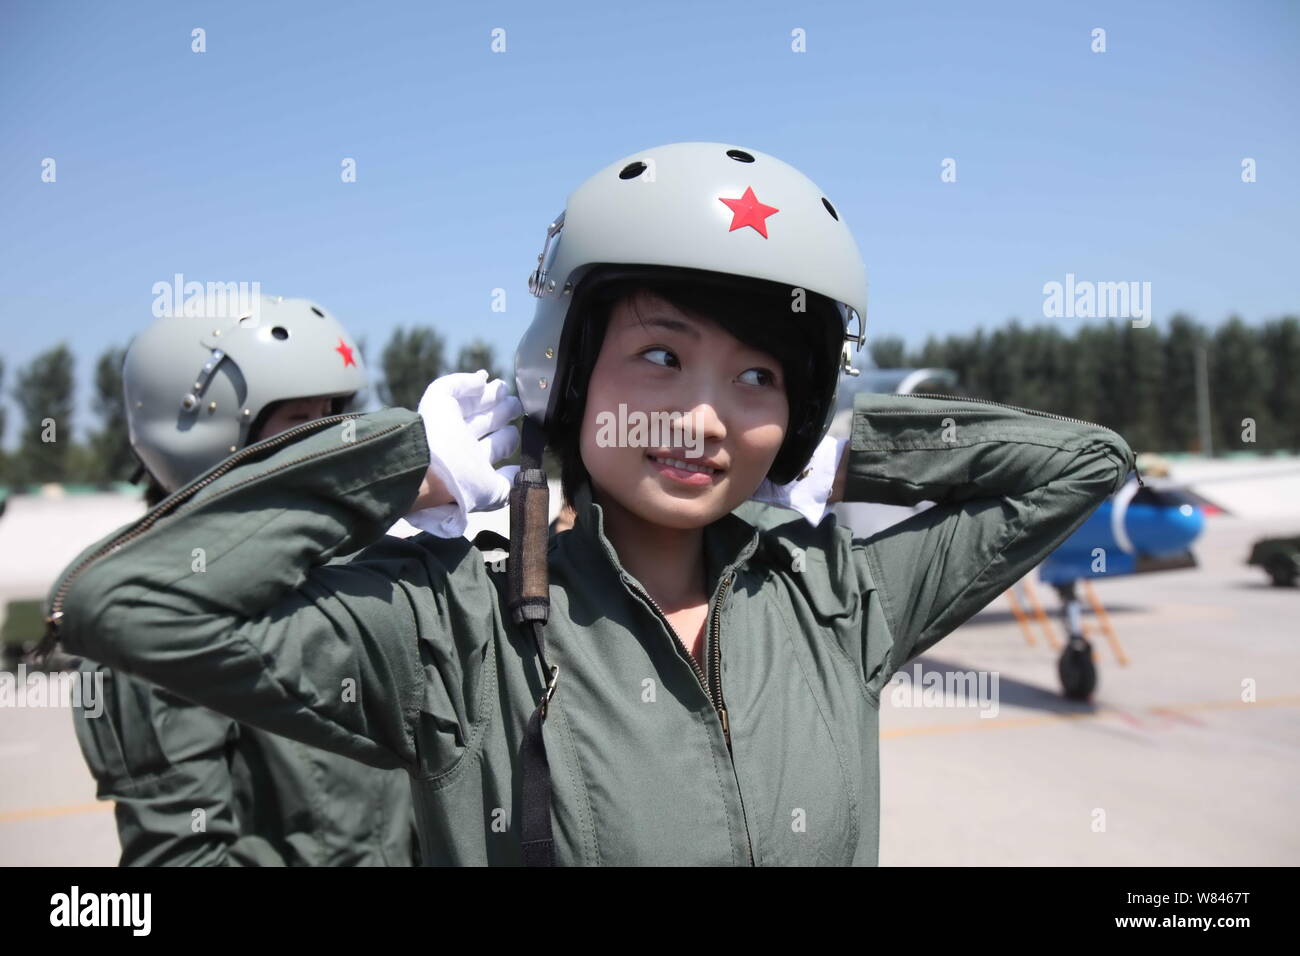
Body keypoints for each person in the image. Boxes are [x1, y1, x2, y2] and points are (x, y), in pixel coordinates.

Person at [44, 143, 1133, 865]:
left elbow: (1079, 463)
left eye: (762, 377)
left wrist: (850, 455)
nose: (708, 418)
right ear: (566, 373)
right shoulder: (450, 626)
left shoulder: (840, 599)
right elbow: (124, 603)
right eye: (660, 355)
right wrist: (402, 467)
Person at [69, 295, 419, 866]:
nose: (333, 445)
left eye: (335, 413)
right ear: (210, 441)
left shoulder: (351, 583)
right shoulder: (153, 631)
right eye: (301, 422)